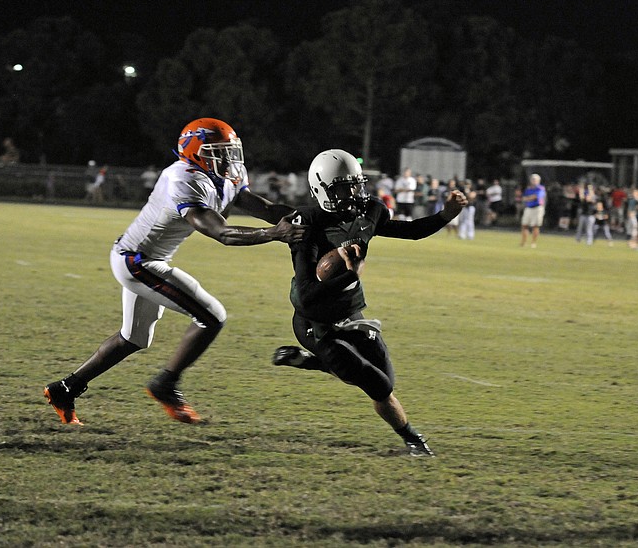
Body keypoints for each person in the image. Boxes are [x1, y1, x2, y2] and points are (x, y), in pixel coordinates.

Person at [43, 118, 305, 425]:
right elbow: (221, 233)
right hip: (137, 260)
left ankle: (65, 388)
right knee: (211, 316)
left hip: (149, 259)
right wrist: (274, 234)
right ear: (195, 152)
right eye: (217, 152)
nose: (228, 159)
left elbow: (262, 206)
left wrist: (312, 216)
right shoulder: (183, 177)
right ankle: (166, 385)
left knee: (134, 338)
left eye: (230, 151)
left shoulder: (226, 173)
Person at [270, 149, 467, 457]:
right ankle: (413, 440)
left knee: (385, 378)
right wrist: (349, 275)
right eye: (343, 187)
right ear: (321, 188)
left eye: (355, 184)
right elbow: (307, 293)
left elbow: (410, 231)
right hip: (315, 323)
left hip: (351, 312)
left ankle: (311, 362)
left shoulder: (370, 211)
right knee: (377, 384)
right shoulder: (308, 222)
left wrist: (445, 215)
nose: (353, 193)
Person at [520, 173, 546, 247]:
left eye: (535, 179)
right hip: (529, 208)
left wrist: (528, 198)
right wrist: (528, 198)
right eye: (532, 179)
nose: (533, 181)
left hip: (537, 208)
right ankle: (523, 242)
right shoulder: (529, 189)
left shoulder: (540, 188)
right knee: (524, 225)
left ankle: (533, 243)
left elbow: (535, 197)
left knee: (535, 226)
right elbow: (524, 197)